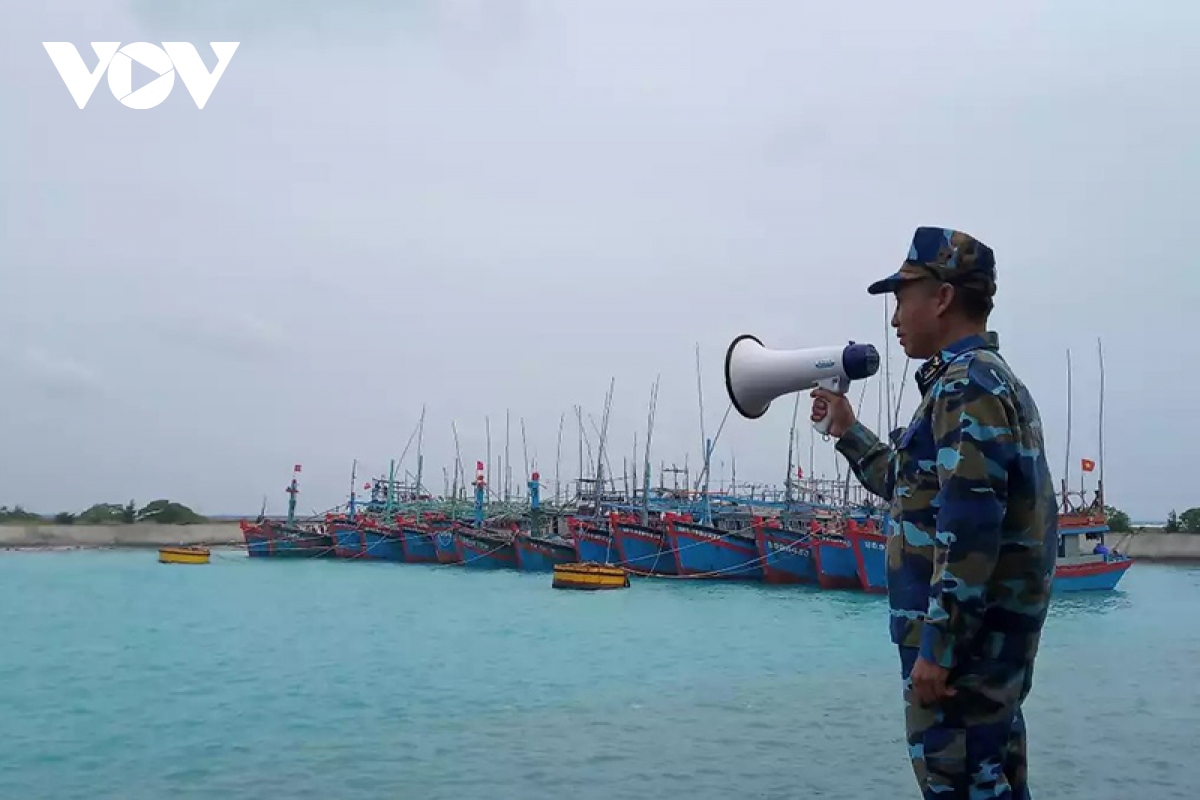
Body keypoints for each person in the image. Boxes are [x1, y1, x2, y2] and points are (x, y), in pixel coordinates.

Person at [811, 227, 1059, 800]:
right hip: (987, 652)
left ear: (942, 298)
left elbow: (970, 526)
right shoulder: (982, 382)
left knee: (960, 786)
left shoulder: (965, 388)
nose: (895, 317)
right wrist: (848, 431)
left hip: (963, 660)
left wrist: (939, 649)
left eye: (902, 297)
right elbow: (910, 488)